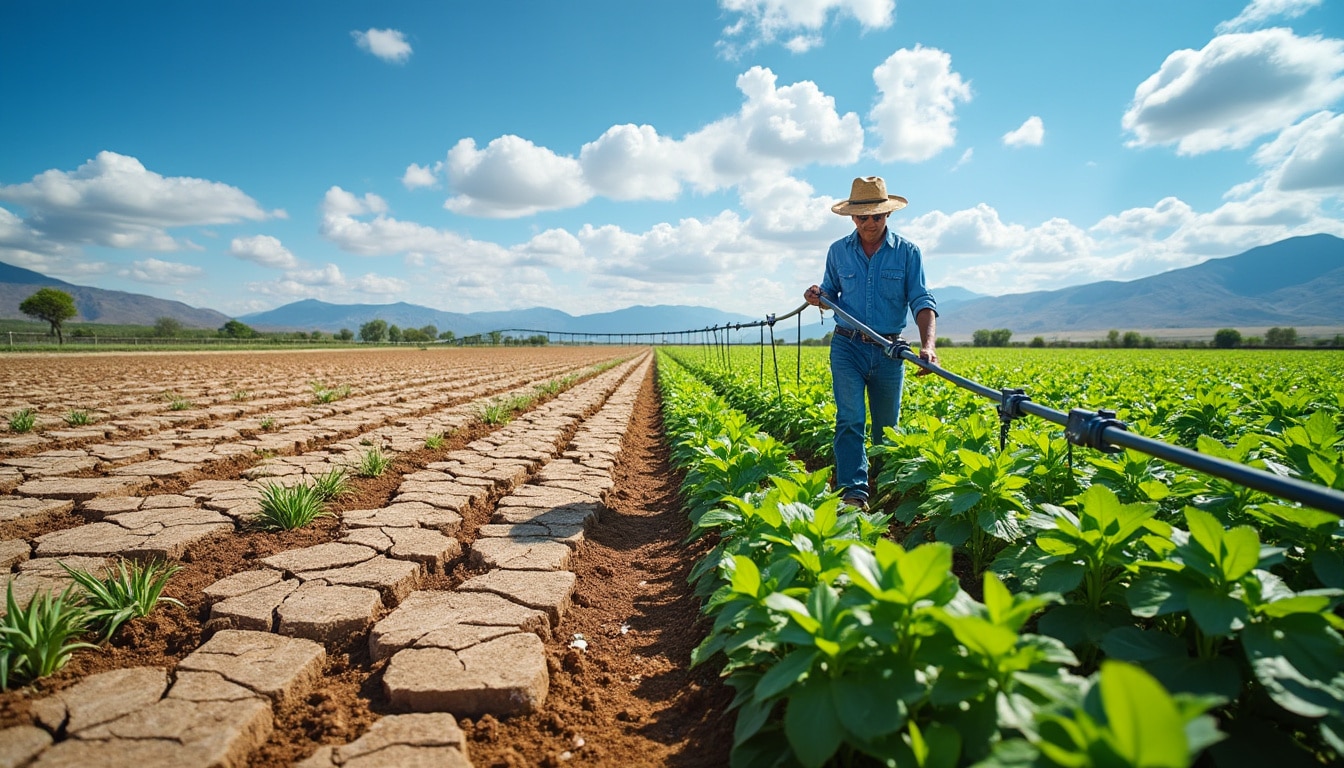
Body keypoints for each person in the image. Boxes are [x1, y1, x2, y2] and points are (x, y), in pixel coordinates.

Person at [803, 176, 938, 508]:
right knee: (850, 418)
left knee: (887, 428)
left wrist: (928, 345)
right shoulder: (838, 252)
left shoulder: (908, 253)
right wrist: (818, 296)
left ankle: (885, 486)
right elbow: (830, 292)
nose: (869, 223)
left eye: (876, 216)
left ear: (887, 215)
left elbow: (921, 300)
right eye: (862, 217)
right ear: (852, 217)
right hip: (847, 346)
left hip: (890, 350)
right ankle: (854, 492)